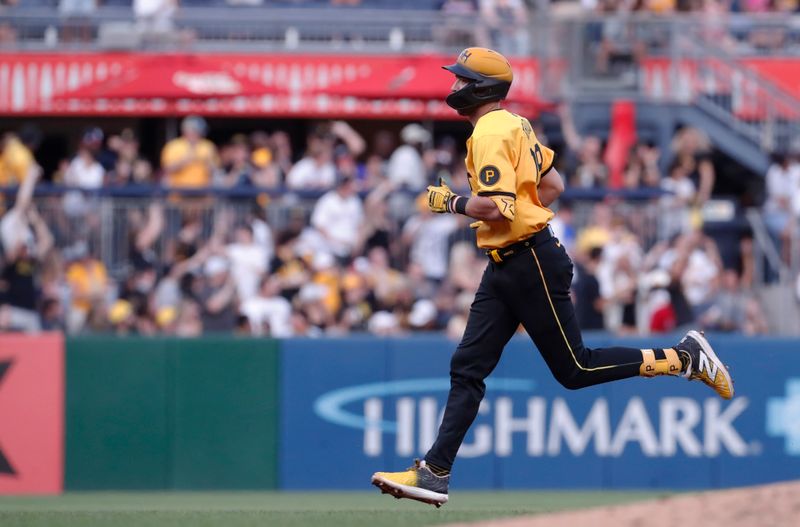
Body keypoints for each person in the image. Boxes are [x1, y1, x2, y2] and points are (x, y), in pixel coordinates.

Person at [370, 47, 734, 508]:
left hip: (528, 259)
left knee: (575, 368)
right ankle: (434, 472)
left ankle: (683, 358)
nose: (455, 86)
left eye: (463, 80)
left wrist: (451, 203)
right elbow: (554, 185)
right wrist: (522, 209)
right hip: (509, 261)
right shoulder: (514, 123)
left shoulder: (490, 130)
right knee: (468, 367)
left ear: (481, 88)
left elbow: (498, 205)